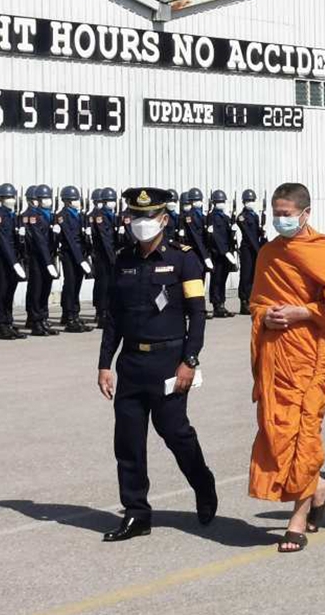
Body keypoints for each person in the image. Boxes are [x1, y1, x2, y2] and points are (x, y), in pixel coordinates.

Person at [96, 187, 218, 542]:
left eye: (148, 217)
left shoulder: (184, 259)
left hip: (168, 361)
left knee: (175, 433)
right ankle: (136, 512)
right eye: (135, 216)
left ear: (164, 219)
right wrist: (105, 363)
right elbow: (114, 317)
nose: (141, 223)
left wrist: (190, 361)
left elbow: (198, 315)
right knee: (128, 442)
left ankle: (203, 483)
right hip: (131, 363)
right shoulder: (124, 260)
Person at [247, 183, 325, 553]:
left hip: (312, 360)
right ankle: (321, 488)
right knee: (278, 438)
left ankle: (296, 520)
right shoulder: (269, 254)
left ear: (306, 214)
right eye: (276, 213)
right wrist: (266, 317)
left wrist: (303, 312)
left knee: (305, 437)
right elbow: (257, 303)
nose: (281, 219)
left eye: (287, 214)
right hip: (278, 359)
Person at [0, 184, 27, 340]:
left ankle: (8, 322)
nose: (11, 200)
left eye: (12, 197)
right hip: (3, 260)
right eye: (8, 197)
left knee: (10, 291)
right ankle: (1, 324)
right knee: (1, 292)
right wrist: (14, 262)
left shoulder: (12, 215)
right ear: (1, 199)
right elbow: (3, 241)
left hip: (13, 259)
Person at [23, 184, 59, 337]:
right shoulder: (34, 216)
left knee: (45, 288)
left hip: (49, 257)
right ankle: (36, 322)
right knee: (37, 289)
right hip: (38, 259)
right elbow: (39, 241)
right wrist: (48, 262)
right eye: (44, 198)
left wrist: (56, 235)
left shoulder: (49, 215)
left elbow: (51, 240)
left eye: (48, 197)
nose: (47, 200)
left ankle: (43, 318)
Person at [55, 186, 93, 333]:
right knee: (71, 285)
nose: (78, 202)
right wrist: (81, 260)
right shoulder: (62, 215)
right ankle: (70, 317)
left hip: (79, 254)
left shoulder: (78, 214)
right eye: (75, 199)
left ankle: (72, 314)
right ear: (67, 201)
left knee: (76, 284)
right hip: (70, 255)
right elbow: (70, 239)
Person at [180, 188, 214, 319]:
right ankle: (194, 310)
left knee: (201, 283)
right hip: (196, 254)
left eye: (200, 200)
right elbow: (196, 239)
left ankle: (199, 309)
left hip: (202, 253)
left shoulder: (202, 216)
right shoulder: (190, 217)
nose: (198, 202)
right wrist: (206, 257)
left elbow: (206, 238)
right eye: (196, 200)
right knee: (195, 283)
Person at [90, 187, 120, 327]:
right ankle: (102, 314)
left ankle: (107, 312)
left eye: (113, 200)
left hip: (110, 255)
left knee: (109, 285)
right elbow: (105, 238)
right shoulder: (100, 216)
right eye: (109, 201)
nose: (112, 203)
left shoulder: (110, 214)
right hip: (103, 256)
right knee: (103, 285)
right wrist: (112, 258)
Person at [207, 190, 237, 319]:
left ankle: (222, 304)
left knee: (223, 280)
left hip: (226, 254)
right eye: (219, 202)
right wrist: (225, 252)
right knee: (216, 280)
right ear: (213, 203)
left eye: (223, 201)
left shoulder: (225, 217)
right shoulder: (212, 217)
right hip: (218, 254)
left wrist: (233, 230)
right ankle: (216, 305)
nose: (221, 204)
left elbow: (228, 236)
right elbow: (215, 237)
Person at [236, 189, 265, 316]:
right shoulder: (241, 217)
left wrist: (262, 231)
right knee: (246, 276)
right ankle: (244, 302)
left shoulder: (255, 215)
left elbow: (256, 232)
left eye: (252, 200)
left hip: (255, 248)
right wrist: (259, 250)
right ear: (243, 202)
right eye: (248, 201)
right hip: (248, 249)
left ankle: (252, 300)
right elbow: (248, 235)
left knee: (254, 275)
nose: (250, 202)